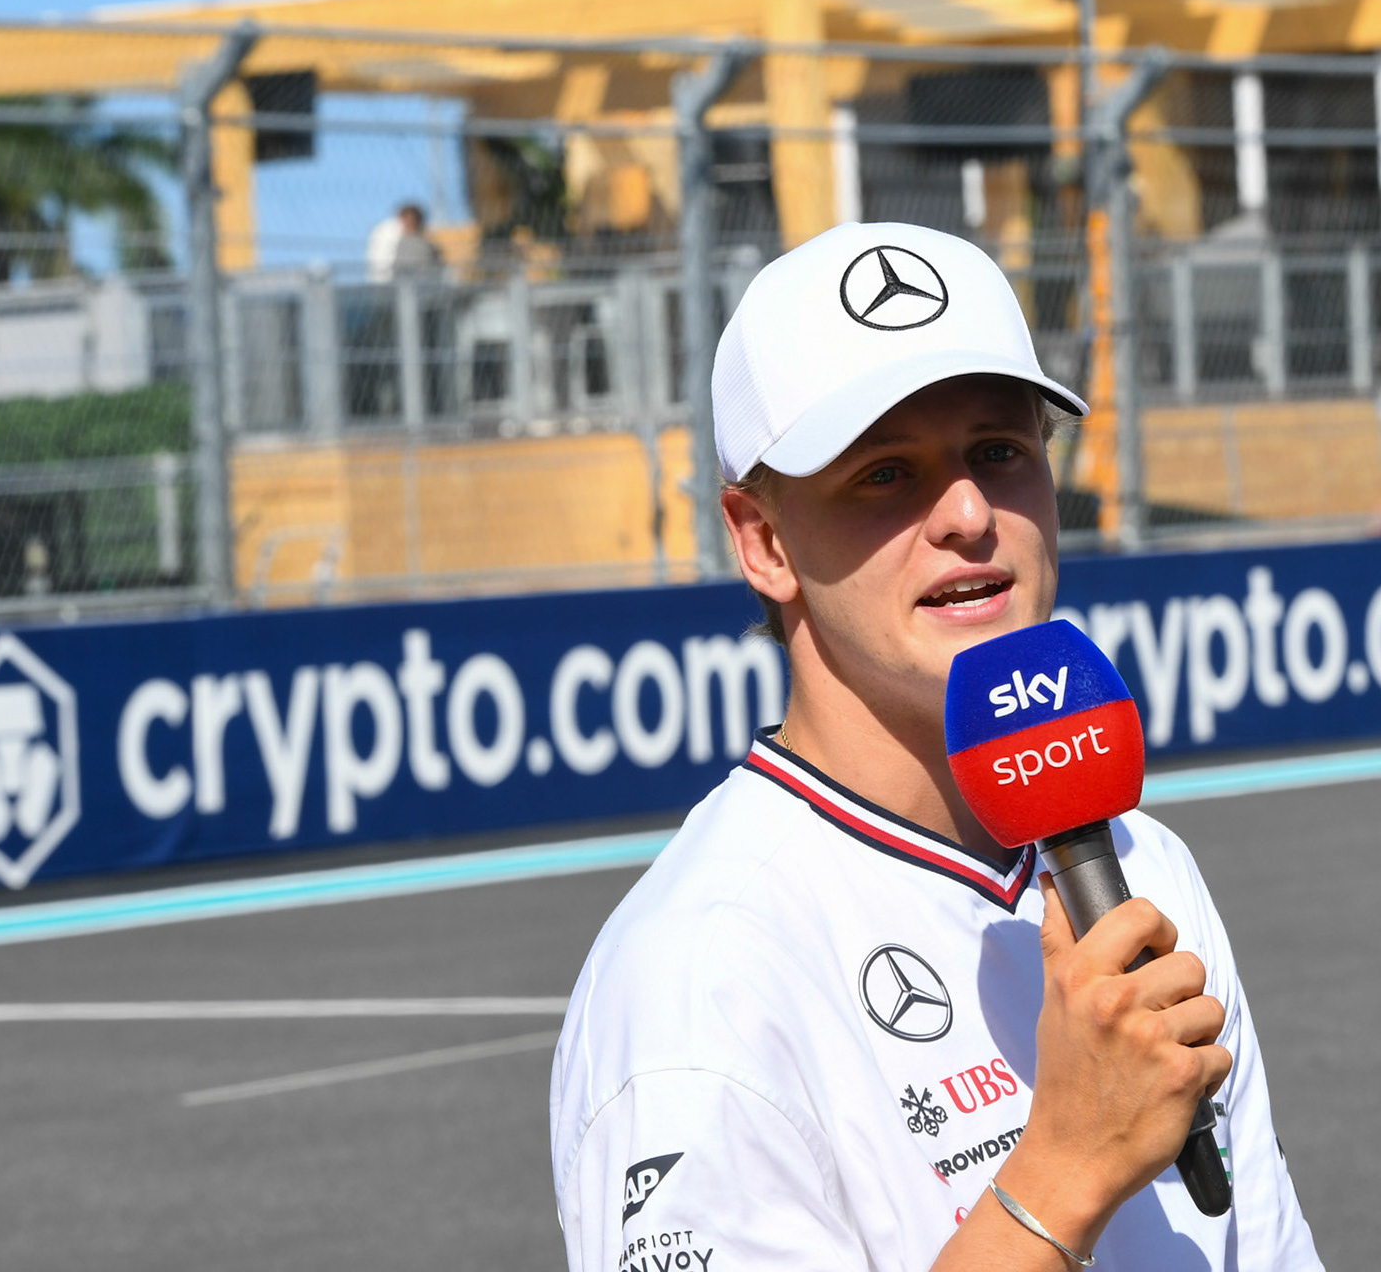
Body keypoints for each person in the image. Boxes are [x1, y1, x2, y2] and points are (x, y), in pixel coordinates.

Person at [550, 221, 1322, 1272]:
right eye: (884, 473)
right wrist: (1060, 1174)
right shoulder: (700, 972)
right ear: (764, 540)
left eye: (999, 451)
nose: (967, 512)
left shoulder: (1141, 861)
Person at [365, 202, 442, 282]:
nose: (410, 223)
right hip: (397, 282)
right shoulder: (388, 236)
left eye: (413, 220)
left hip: (424, 283)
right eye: (408, 220)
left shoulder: (427, 243)